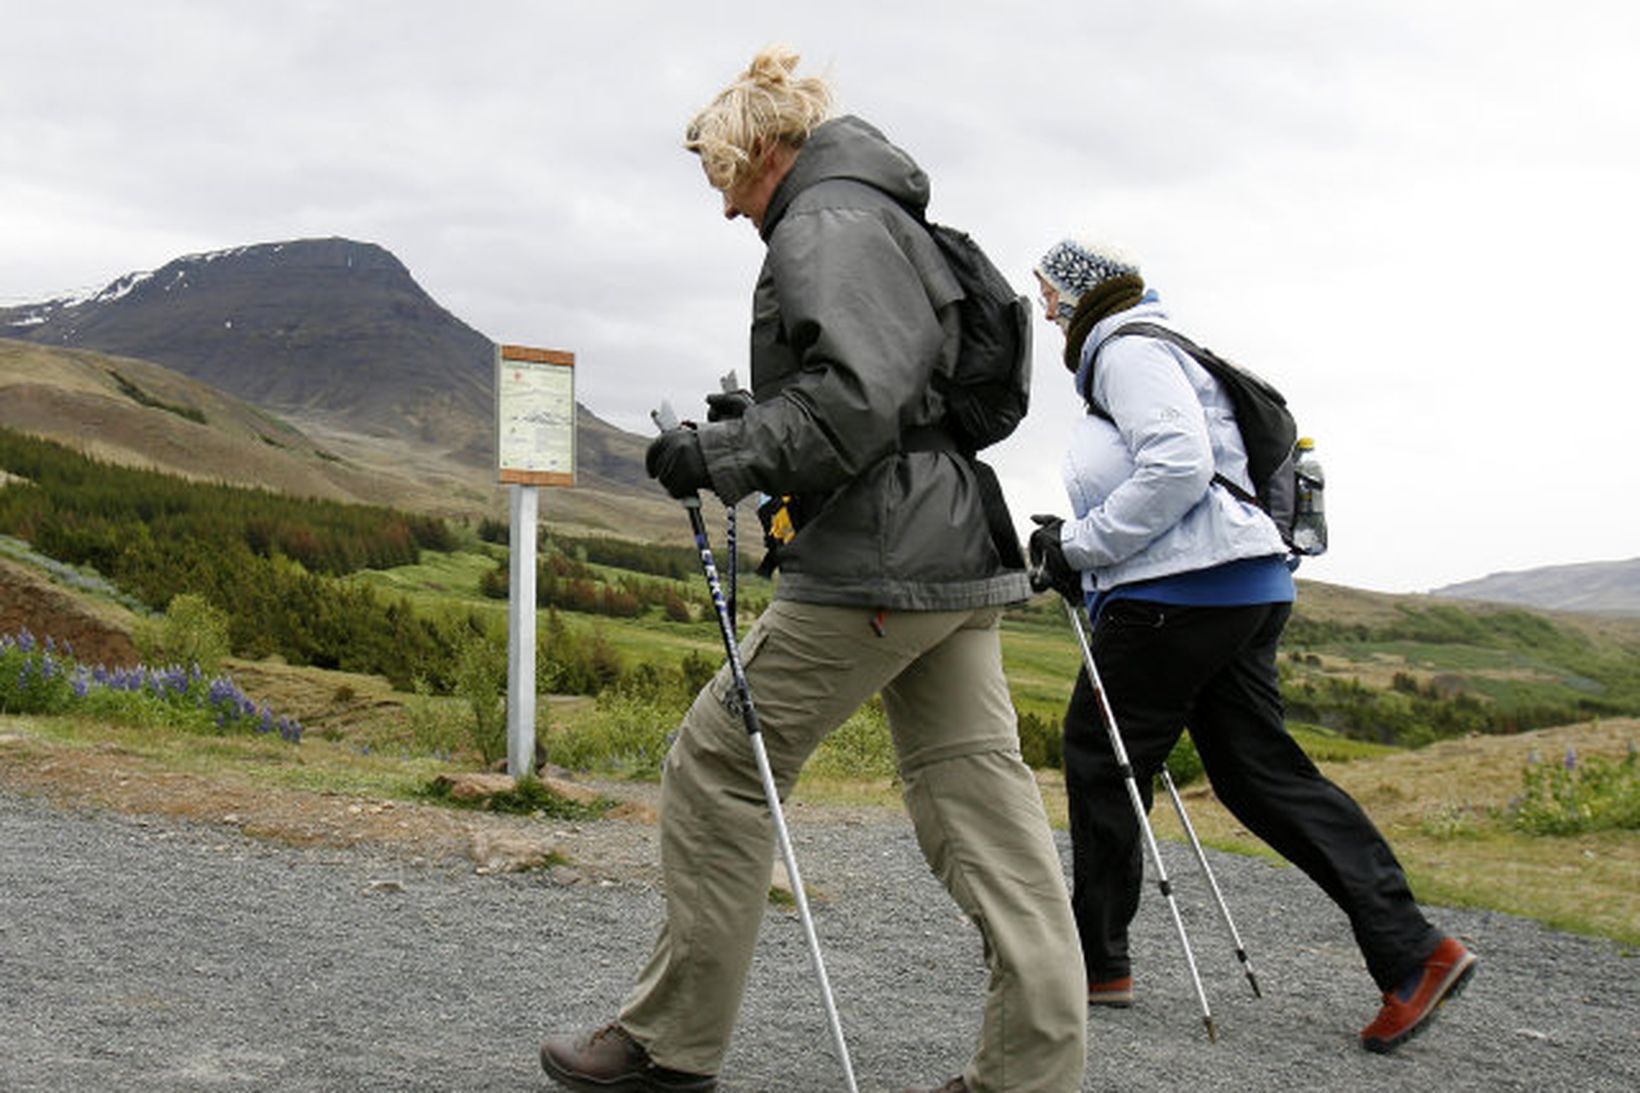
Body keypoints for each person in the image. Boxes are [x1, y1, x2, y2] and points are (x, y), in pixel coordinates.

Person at [538, 48, 1086, 1093]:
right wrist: (757, 425)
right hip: (951, 550)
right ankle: (1033, 1073)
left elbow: (856, 397)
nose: (725, 207)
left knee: (717, 765)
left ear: (762, 150)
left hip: (880, 556)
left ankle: (667, 1045)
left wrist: (721, 455)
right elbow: (889, 390)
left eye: (723, 177)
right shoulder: (881, 212)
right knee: (984, 808)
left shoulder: (823, 218)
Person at [1025, 237, 1476, 1054]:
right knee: (1259, 775)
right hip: (1238, 585)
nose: (1046, 307)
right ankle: (1415, 952)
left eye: (1049, 290)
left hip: (1177, 597)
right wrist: (1080, 543)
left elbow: (1177, 465)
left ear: (1083, 293)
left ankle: (1095, 964)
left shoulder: (1126, 350)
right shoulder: (1147, 351)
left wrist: (1080, 545)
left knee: (1101, 760)